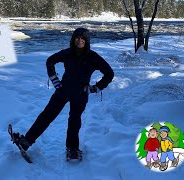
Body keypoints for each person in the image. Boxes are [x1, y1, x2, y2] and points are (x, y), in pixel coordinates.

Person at [13, 27, 114, 159]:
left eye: (83, 38)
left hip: (80, 94)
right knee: (46, 116)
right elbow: (50, 61)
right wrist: (55, 81)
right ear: (73, 39)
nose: (80, 40)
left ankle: (72, 149)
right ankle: (26, 142)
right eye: (77, 37)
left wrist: (95, 88)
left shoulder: (93, 57)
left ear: (87, 41)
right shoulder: (68, 53)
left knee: (74, 121)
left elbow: (109, 73)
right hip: (63, 91)